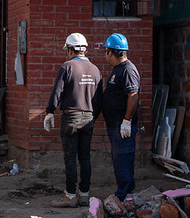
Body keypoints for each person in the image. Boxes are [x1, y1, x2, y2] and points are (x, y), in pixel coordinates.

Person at [44, 33, 103, 208]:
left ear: (70, 49)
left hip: (71, 117)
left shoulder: (67, 67)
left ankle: (70, 195)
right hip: (89, 117)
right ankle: (84, 195)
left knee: (70, 157)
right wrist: (93, 115)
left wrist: (50, 111)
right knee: (85, 157)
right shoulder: (95, 69)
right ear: (84, 49)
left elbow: (57, 92)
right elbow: (100, 98)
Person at [101, 33, 141, 202]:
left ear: (111, 52)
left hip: (122, 124)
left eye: (106, 51)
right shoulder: (119, 69)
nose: (105, 54)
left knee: (123, 156)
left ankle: (124, 194)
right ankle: (125, 191)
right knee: (119, 157)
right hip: (116, 123)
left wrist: (127, 120)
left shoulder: (128, 70)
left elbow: (133, 95)